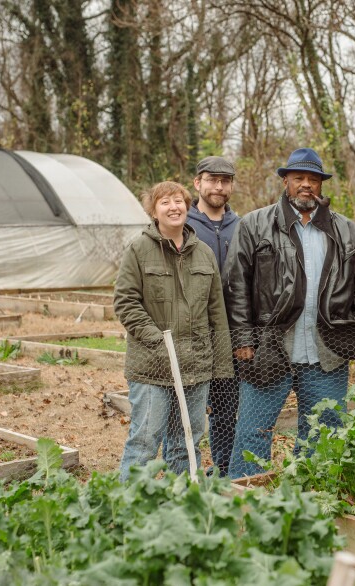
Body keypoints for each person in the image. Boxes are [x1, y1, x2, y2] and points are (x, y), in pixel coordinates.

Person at [223, 147, 355, 479]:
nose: (306, 185)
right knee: (253, 432)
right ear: (286, 182)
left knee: (324, 432)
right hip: (269, 347)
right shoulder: (254, 225)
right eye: (298, 178)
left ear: (321, 184)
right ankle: (244, 500)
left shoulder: (347, 231)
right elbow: (236, 287)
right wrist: (243, 339)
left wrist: (354, 338)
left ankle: (310, 498)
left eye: (313, 179)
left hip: (326, 352)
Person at [115, 181, 233, 481]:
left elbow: (216, 313)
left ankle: (178, 505)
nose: (173, 207)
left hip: (196, 367)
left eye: (179, 201)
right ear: (153, 211)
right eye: (165, 202)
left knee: (185, 445)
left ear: (188, 207)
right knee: (144, 442)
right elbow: (125, 303)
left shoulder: (203, 253)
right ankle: (127, 507)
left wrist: (220, 365)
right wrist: (157, 340)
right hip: (152, 366)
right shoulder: (138, 249)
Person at [187, 156, 240, 477]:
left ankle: (223, 471)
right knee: (188, 409)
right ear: (198, 183)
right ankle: (185, 471)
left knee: (225, 410)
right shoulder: (184, 224)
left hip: (231, 336)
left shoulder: (242, 226)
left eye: (225, 181)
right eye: (212, 179)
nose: (219, 187)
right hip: (192, 335)